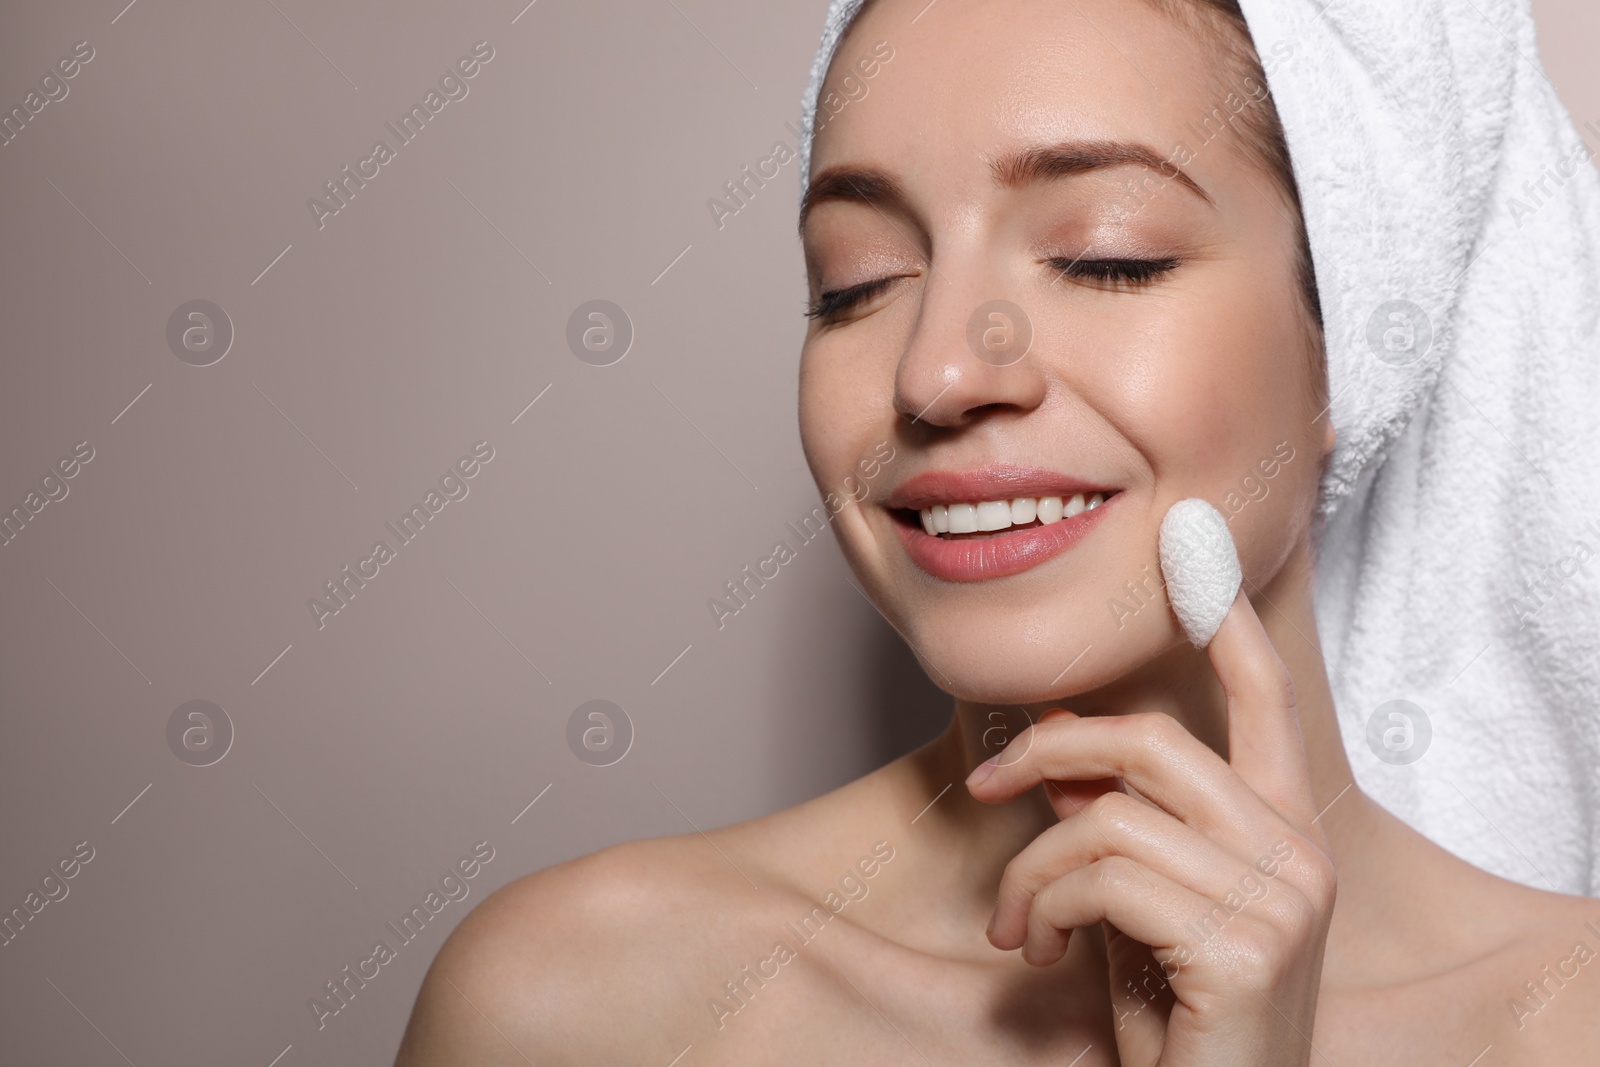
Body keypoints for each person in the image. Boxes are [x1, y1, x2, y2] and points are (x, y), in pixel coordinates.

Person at [395, 0, 1600, 1062]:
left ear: (1357, 349)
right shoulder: (580, 1002)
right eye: (856, 282)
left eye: (1101, 256)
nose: (935, 370)